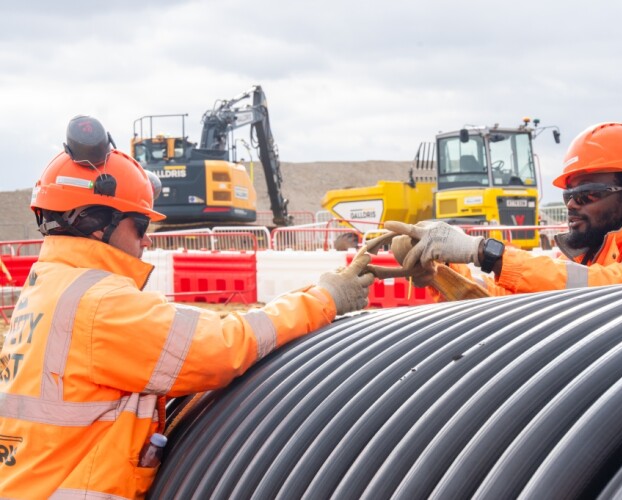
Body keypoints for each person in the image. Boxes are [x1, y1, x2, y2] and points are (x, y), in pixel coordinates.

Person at [0, 116, 374, 499]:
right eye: (140, 225)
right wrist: (324, 299)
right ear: (96, 222)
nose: (146, 240)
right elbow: (220, 347)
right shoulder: (98, 304)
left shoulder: (47, 288)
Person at [383, 122, 622, 297]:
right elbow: (514, 303)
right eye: (569, 194)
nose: (572, 203)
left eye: (587, 194)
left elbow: (616, 294)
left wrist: (487, 252)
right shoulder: (585, 258)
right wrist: (445, 273)